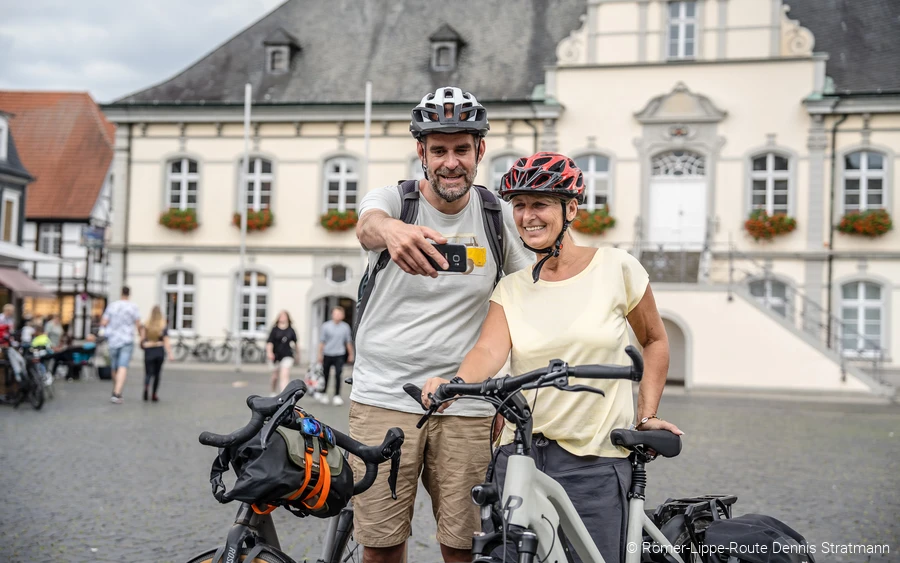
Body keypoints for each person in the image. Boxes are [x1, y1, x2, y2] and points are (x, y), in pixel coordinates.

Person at [422, 152, 683, 563]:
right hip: (520, 456)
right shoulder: (512, 287)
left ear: (571, 209)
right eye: (520, 206)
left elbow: (654, 340)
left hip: (594, 459)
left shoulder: (616, 267)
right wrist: (453, 385)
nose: (528, 216)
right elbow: (488, 349)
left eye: (540, 204)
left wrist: (646, 415)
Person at [351, 86, 533, 563]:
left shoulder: (497, 217)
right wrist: (393, 231)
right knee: (381, 546)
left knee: (461, 546)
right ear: (421, 153)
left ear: (480, 151)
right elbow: (367, 224)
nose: (450, 162)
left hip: (466, 405)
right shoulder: (394, 201)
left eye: (460, 149)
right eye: (438, 150)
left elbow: (525, 299)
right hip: (384, 397)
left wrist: (506, 391)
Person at [100, 286, 142, 404]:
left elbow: (104, 322)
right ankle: (117, 393)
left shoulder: (113, 306)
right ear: (129, 294)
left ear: (120, 293)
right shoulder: (133, 307)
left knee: (115, 366)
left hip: (113, 339)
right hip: (127, 339)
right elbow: (138, 324)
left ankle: (116, 390)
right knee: (123, 366)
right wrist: (142, 337)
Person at [316, 306, 353, 406]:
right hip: (327, 353)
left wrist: (351, 354)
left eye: (339, 313)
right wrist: (319, 354)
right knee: (326, 375)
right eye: (335, 313)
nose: (337, 315)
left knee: (338, 375)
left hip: (339, 354)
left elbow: (348, 341)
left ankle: (337, 395)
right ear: (332, 314)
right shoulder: (326, 326)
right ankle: (324, 393)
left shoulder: (345, 327)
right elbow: (322, 342)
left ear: (343, 315)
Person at [140, 306, 173, 402]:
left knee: (148, 373)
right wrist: (170, 353)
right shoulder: (162, 325)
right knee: (157, 374)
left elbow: (142, 339)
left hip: (149, 350)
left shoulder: (146, 324)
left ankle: (146, 387)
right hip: (159, 350)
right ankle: (154, 394)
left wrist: (144, 345)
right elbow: (166, 340)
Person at [265, 311, 298, 395]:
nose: (282, 318)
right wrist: (269, 352)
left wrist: (297, 354)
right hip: (275, 355)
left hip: (287, 355)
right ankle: (273, 391)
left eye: (284, 316)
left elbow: (296, 343)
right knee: (275, 376)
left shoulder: (291, 330)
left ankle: (283, 394)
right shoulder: (274, 330)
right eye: (281, 316)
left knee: (284, 374)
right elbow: (270, 342)